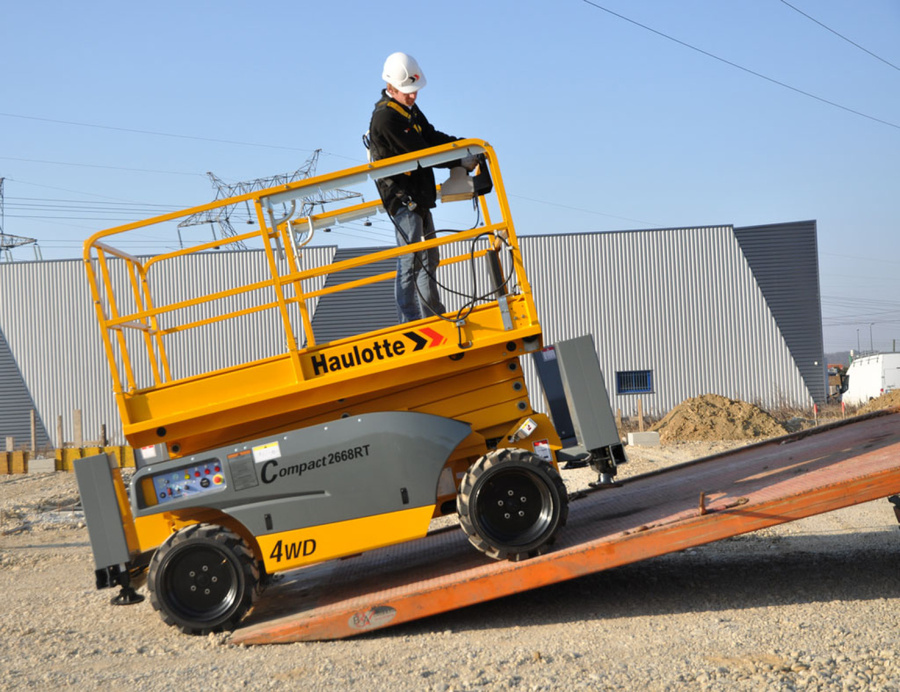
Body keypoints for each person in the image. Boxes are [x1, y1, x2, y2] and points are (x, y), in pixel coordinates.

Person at [367, 52, 473, 323]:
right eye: (407, 92)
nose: (413, 96)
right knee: (410, 263)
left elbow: (430, 136)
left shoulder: (407, 110)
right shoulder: (386, 119)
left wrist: (461, 145)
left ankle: (434, 316)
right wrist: (460, 158)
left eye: (414, 91)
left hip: (419, 197)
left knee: (429, 260)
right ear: (391, 88)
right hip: (403, 200)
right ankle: (411, 322)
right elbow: (421, 154)